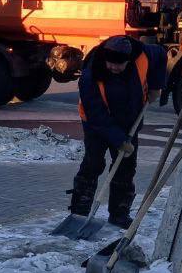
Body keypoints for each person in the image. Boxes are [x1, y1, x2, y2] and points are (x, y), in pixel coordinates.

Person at [69, 34, 167, 228]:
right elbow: (97, 115)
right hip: (96, 122)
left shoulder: (143, 54)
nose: (114, 68)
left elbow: (161, 55)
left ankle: (119, 214)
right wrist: (120, 140)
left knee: (125, 166)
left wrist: (156, 86)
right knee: (94, 163)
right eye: (110, 64)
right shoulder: (91, 74)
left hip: (129, 120)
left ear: (128, 60)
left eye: (119, 65)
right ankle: (79, 213)